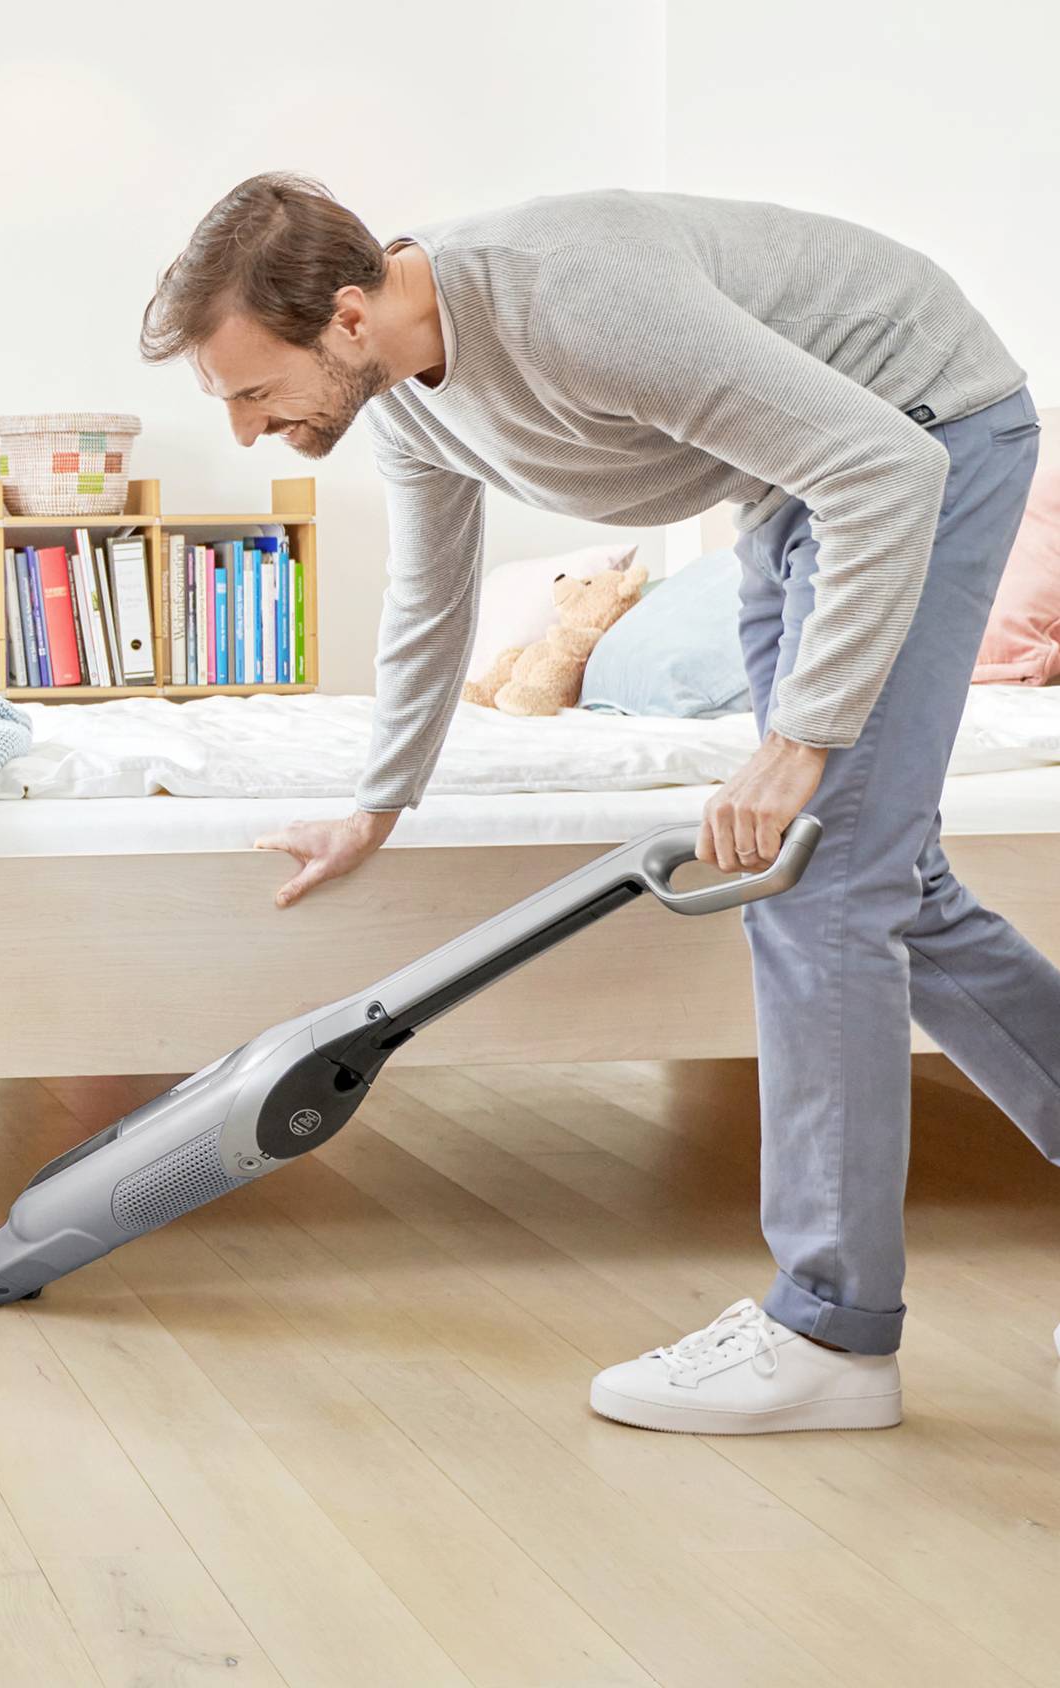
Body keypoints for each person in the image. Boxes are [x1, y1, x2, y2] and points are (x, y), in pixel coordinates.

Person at [145, 173, 1056, 1435]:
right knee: (888, 879)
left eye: (253, 392)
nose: (249, 431)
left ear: (347, 316)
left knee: (815, 874)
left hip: (923, 438)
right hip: (800, 485)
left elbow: (887, 467)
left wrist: (800, 741)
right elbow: (430, 595)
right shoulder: (403, 398)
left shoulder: (571, 295)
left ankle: (830, 1332)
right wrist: (377, 803)